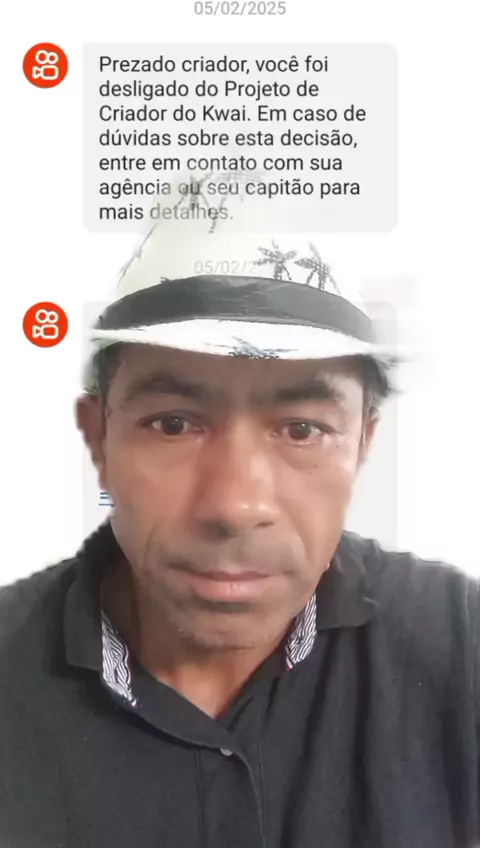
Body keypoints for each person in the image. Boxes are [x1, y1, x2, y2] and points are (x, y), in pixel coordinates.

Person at [1, 230, 479, 848]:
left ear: (362, 443)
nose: (234, 506)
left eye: (302, 429)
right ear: (99, 439)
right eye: (173, 424)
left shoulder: (460, 649)